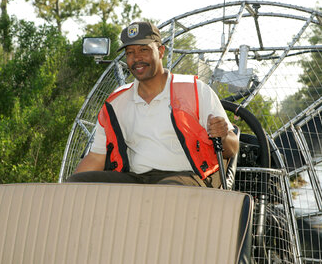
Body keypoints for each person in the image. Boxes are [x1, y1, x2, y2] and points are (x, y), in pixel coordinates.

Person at [67, 21, 239, 188]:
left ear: (161, 51)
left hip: (189, 176)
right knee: (77, 183)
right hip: (137, 179)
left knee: (163, 193)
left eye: (144, 50)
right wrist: (64, 190)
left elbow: (232, 147)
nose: (136, 58)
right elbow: (97, 156)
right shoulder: (116, 102)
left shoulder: (195, 90)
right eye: (130, 53)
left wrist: (223, 136)